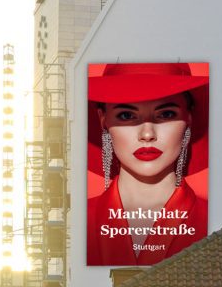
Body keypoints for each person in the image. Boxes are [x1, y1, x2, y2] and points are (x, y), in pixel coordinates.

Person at [84, 62, 209, 266]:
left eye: (166, 114)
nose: (148, 134)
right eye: (126, 115)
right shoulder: (80, 221)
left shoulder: (216, 220)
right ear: (103, 120)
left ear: (189, 117)